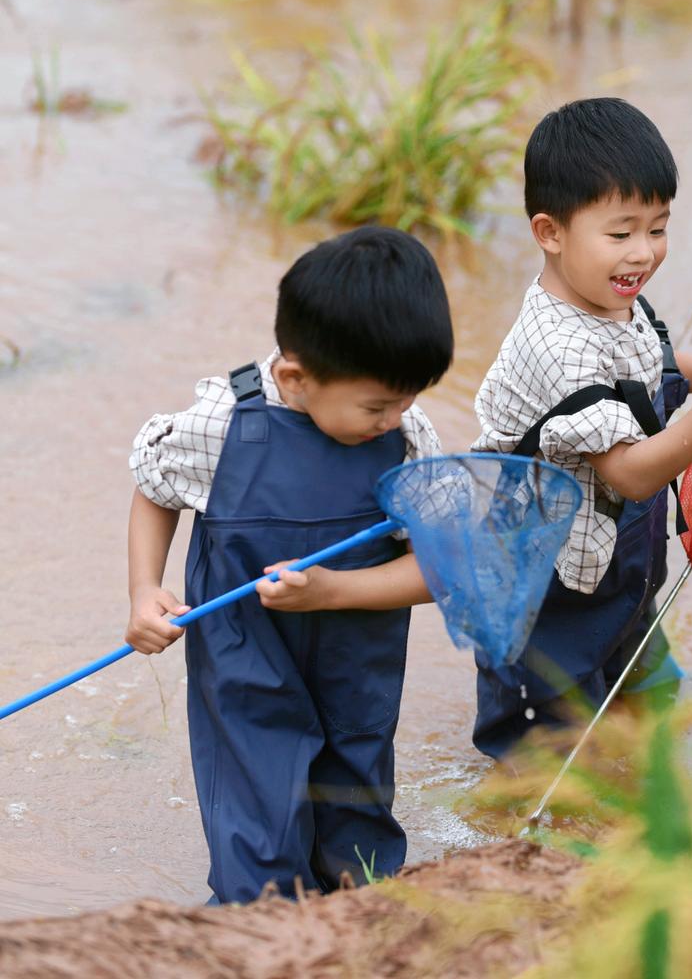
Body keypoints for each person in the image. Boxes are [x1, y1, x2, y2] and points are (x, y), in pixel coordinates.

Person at [125, 225, 452, 903]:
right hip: (245, 648)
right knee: (259, 806)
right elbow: (156, 490)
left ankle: (361, 916)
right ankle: (254, 918)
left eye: (409, 399)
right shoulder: (221, 419)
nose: (395, 418)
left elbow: (440, 569)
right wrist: (144, 591)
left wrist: (335, 591)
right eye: (377, 405)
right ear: (299, 378)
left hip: (358, 652)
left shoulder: (409, 438)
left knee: (357, 816)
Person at [471, 97, 692, 759]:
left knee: (655, 711)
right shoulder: (556, 348)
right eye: (620, 234)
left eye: (658, 228)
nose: (643, 253)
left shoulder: (610, 299)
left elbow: (653, 363)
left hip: (617, 568)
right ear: (550, 232)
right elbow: (631, 470)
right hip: (546, 592)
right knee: (548, 750)